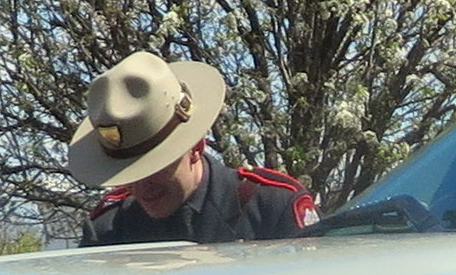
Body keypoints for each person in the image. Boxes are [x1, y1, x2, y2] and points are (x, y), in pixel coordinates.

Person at [70, 52, 314, 246]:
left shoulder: (272, 207)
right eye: (128, 174)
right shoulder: (109, 228)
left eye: (153, 166)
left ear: (196, 147)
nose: (141, 187)